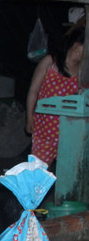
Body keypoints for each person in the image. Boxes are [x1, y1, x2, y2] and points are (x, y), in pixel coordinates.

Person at [26, 27, 85, 165]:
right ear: (77, 46)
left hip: (70, 132)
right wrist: (29, 117)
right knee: (37, 171)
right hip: (45, 129)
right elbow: (33, 91)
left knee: (67, 173)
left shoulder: (83, 71)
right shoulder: (50, 62)